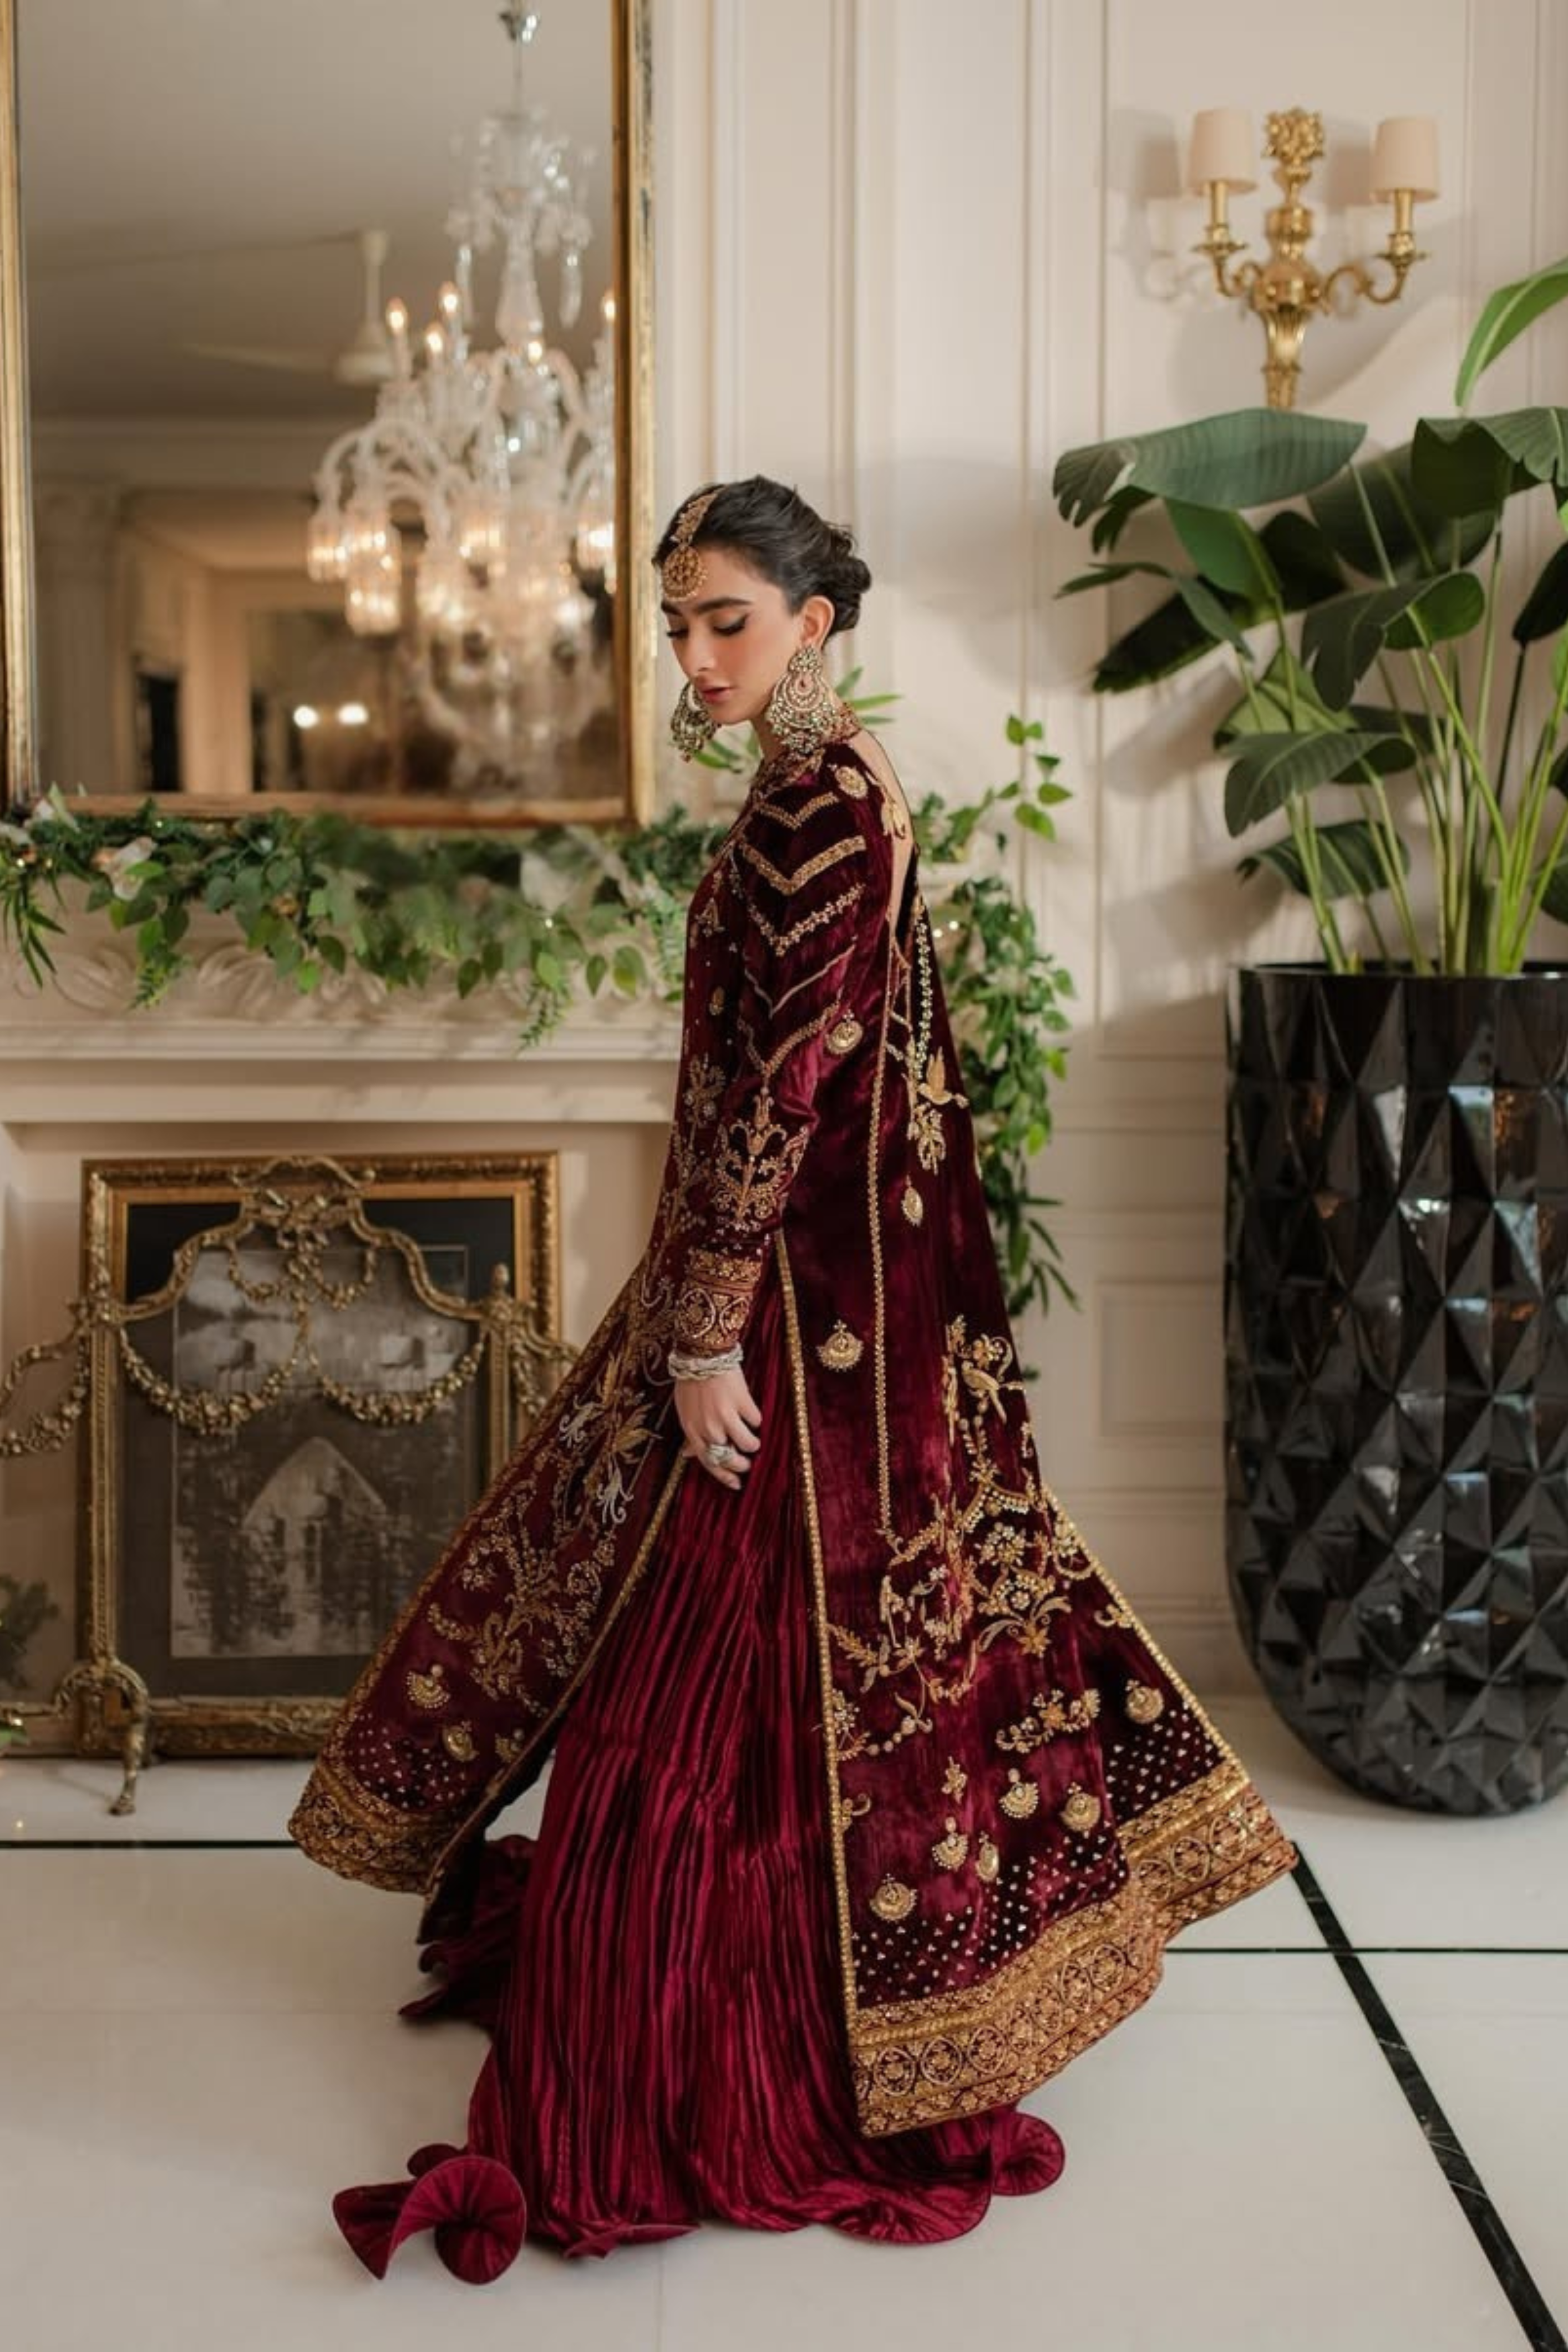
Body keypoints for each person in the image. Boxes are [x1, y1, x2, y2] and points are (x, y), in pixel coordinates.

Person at [290, 476, 1297, 2279]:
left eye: (727, 619)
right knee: (738, 1678)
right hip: (825, 1296)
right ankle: (783, 2013)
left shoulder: (825, 806)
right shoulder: (811, 786)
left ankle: (708, 2064)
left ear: (818, 619)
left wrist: (700, 1327)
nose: (693, 652)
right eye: (676, 622)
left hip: (798, 1316)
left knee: (729, 1689)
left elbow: (791, 1076)